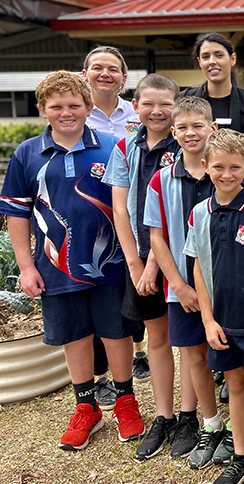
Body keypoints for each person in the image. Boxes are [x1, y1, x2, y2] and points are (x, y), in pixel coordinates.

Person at [0, 71, 144, 451]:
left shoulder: (116, 146)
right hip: (55, 264)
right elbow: (16, 213)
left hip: (111, 263)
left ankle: (126, 401)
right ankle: (86, 406)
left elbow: (130, 204)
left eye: (74, 105)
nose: (66, 112)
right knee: (75, 334)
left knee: (117, 331)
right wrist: (26, 266)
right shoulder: (27, 154)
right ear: (42, 109)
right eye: (57, 106)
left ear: (89, 107)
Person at [185, 129, 244, 484]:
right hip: (220, 322)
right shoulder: (199, 213)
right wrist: (208, 320)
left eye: (235, 168)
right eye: (219, 167)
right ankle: (242, 454)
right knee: (235, 388)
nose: (227, 175)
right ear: (205, 166)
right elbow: (198, 267)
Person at [103, 73, 181, 460]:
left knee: (190, 341)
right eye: (148, 103)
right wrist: (134, 262)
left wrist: (152, 263)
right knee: (158, 340)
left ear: (176, 107)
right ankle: (164, 415)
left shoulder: (184, 146)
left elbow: (172, 214)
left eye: (165, 104)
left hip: (179, 260)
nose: (156, 111)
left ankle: (191, 417)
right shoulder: (124, 148)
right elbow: (121, 206)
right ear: (135, 106)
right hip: (139, 263)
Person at [144, 96, 225, 465]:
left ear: (214, 129)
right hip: (183, 292)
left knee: (228, 363)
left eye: (199, 126)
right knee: (193, 355)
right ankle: (204, 424)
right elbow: (157, 237)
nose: (192, 133)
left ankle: (230, 430)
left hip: (225, 289)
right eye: (184, 127)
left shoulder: (225, 173)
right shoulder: (161, 181)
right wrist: (177, 284)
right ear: (173, 133)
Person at [82, 44, 151, 412]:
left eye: (113, 69)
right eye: (97, 67)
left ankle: (138, 353)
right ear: (85, 75)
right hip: (93, 218)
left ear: (124, 79)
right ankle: (100, 377)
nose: (105, 73)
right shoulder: (77, 114)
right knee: (98, 293)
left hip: (132, 215)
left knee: (129, 290)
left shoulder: (136, 114)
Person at [182, 32, 244, 197]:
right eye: (206, 56)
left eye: (219, 55)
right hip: (195, 191)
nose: (212, 61)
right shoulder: (187, 101)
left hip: (242, 194)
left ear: (232, 59)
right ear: (199, 61)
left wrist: (240, 192)